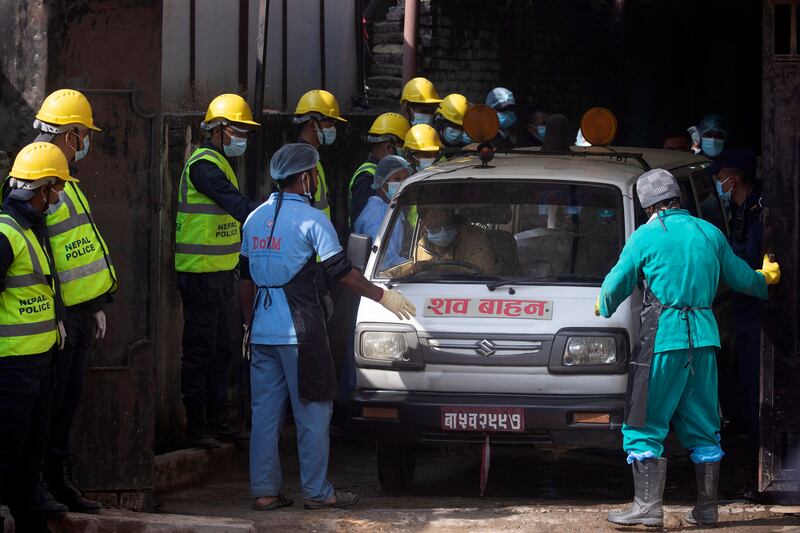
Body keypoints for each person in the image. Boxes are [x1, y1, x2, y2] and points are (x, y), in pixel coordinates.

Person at [597, 168, 779, 528]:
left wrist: (602, 304)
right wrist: (766, 277)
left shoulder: (645, 236)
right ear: (677, 197)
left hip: (662, 340)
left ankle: (648, 508)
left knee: (644, 421)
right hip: (704, 341)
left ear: (647, 203)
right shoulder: (708, 232)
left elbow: (613, 288)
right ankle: (707, 510)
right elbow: (746, 280)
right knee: (703, 423)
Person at [240, 143, 415, 511]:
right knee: (314, 411)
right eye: (315, 173)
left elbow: (244, 279)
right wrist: (383, 297)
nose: (316, 179)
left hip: (261, 330)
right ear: (305, 178)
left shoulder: (254, 218)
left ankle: (264, 491)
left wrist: (247, 324)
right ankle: (318, 492)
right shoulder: (313, 219)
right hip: (301, 331)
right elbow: (342, 272)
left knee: (265, 415)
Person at [31, 89, 115, 514]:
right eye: (83, 134)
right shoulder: (39, 178)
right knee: (47, 406)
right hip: (56, 321)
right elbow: (37, 255)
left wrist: (95, 301)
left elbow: (77, 245)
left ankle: (60, 482)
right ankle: (40, 487)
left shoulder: (67, 178)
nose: (87, 142)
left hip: (80, 315)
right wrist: (58, 313)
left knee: (67, 404)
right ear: (68, 134)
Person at [175, 93, 261, 449]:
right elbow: (236, 205)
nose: (242, 136)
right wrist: (272, 215)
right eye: (238, 130)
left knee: (222, 349)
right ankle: (197, 427)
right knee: (200, 351)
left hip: (220, 273)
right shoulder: (204, 166)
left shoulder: (221, 164)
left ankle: (218, 420)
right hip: (199, 274)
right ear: (220, 130)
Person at [0, 142, 75, 532]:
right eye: (56, 190)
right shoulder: (6, 233)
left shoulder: (31, 229)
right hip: (13, 368)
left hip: (38, 363)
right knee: (8, 450)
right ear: (43, 189)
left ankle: (30, 517)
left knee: (31, 453)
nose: (59, 198)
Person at [712, 149, 763, 493]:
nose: (718, 183)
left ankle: (761, 473)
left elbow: (750, 261)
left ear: (736, 177)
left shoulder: (761, 211)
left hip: (757, 312)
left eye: (721, 177)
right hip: (742, 309)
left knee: (755, 392)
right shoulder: (738, 208)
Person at [385, 205, 495, 278]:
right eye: (435, 229)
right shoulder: (422, 245)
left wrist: (432, 267)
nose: (442, 232)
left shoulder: (475, 239)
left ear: (453, 219)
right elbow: (414, 271)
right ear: (424, 226)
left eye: (447, 226)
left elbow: (481, 271)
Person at [293, 89, 347, 221]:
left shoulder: (312, 158)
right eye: (330, 122)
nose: (333, 128)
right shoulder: (300, 162)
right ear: (312, 123)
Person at [349, 112, 410, 226]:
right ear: (389, 148)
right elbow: (364, 224)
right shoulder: (367, 177)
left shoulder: (383, 172)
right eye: (403, 147)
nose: (406, 153)